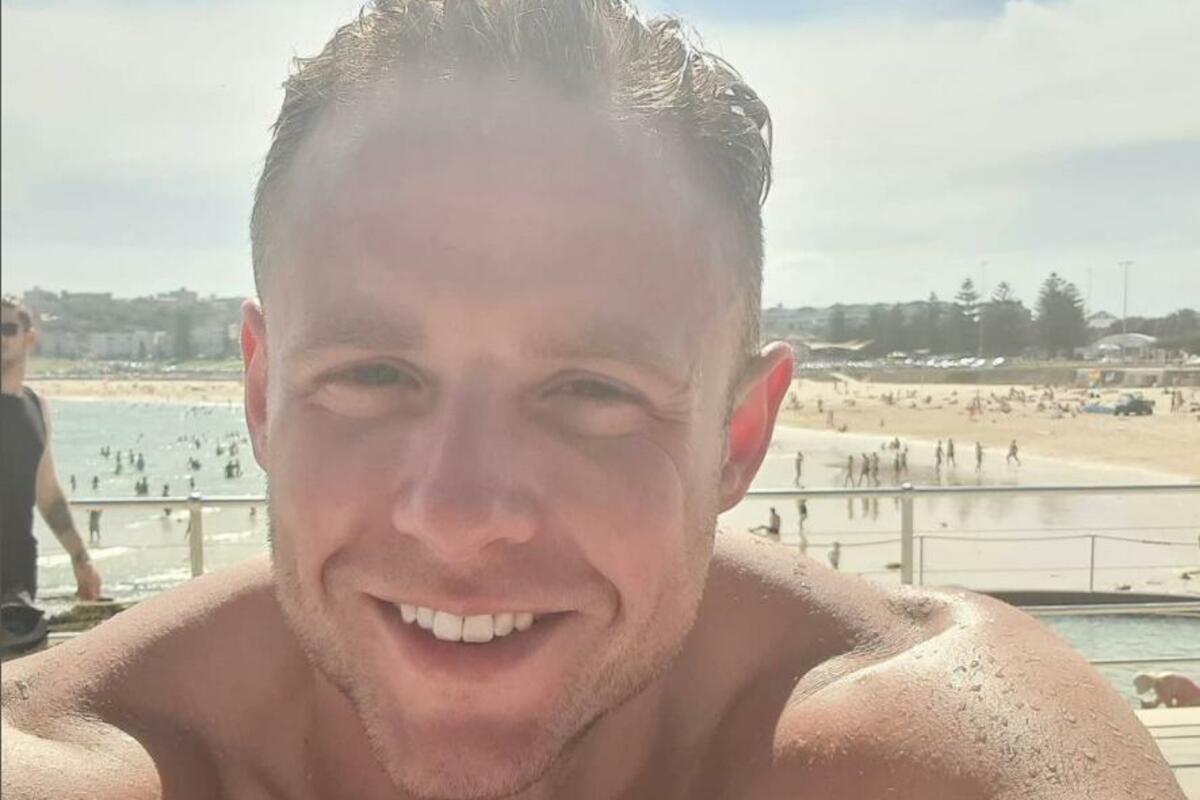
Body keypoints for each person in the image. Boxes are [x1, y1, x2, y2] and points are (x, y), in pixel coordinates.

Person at [1, 4, 1180, 798]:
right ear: (263, 395)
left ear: (738, 433)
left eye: (591, 389)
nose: (462, 514)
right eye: (372, 374)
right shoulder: (70, 760)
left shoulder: (936, 756)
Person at [1, 295, 101, 603]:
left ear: (29, 338)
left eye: (7, 329)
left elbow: (48, 494)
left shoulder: (37, 408)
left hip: (18, 578)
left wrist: (81, 559)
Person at [1133, 672, 1200, 708]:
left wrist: (1150, 706)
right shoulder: (1162, 678)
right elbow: (1160, 700)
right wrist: (1153, 705)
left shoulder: (1161, 688)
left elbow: (1169, 707)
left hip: (1193, 700)